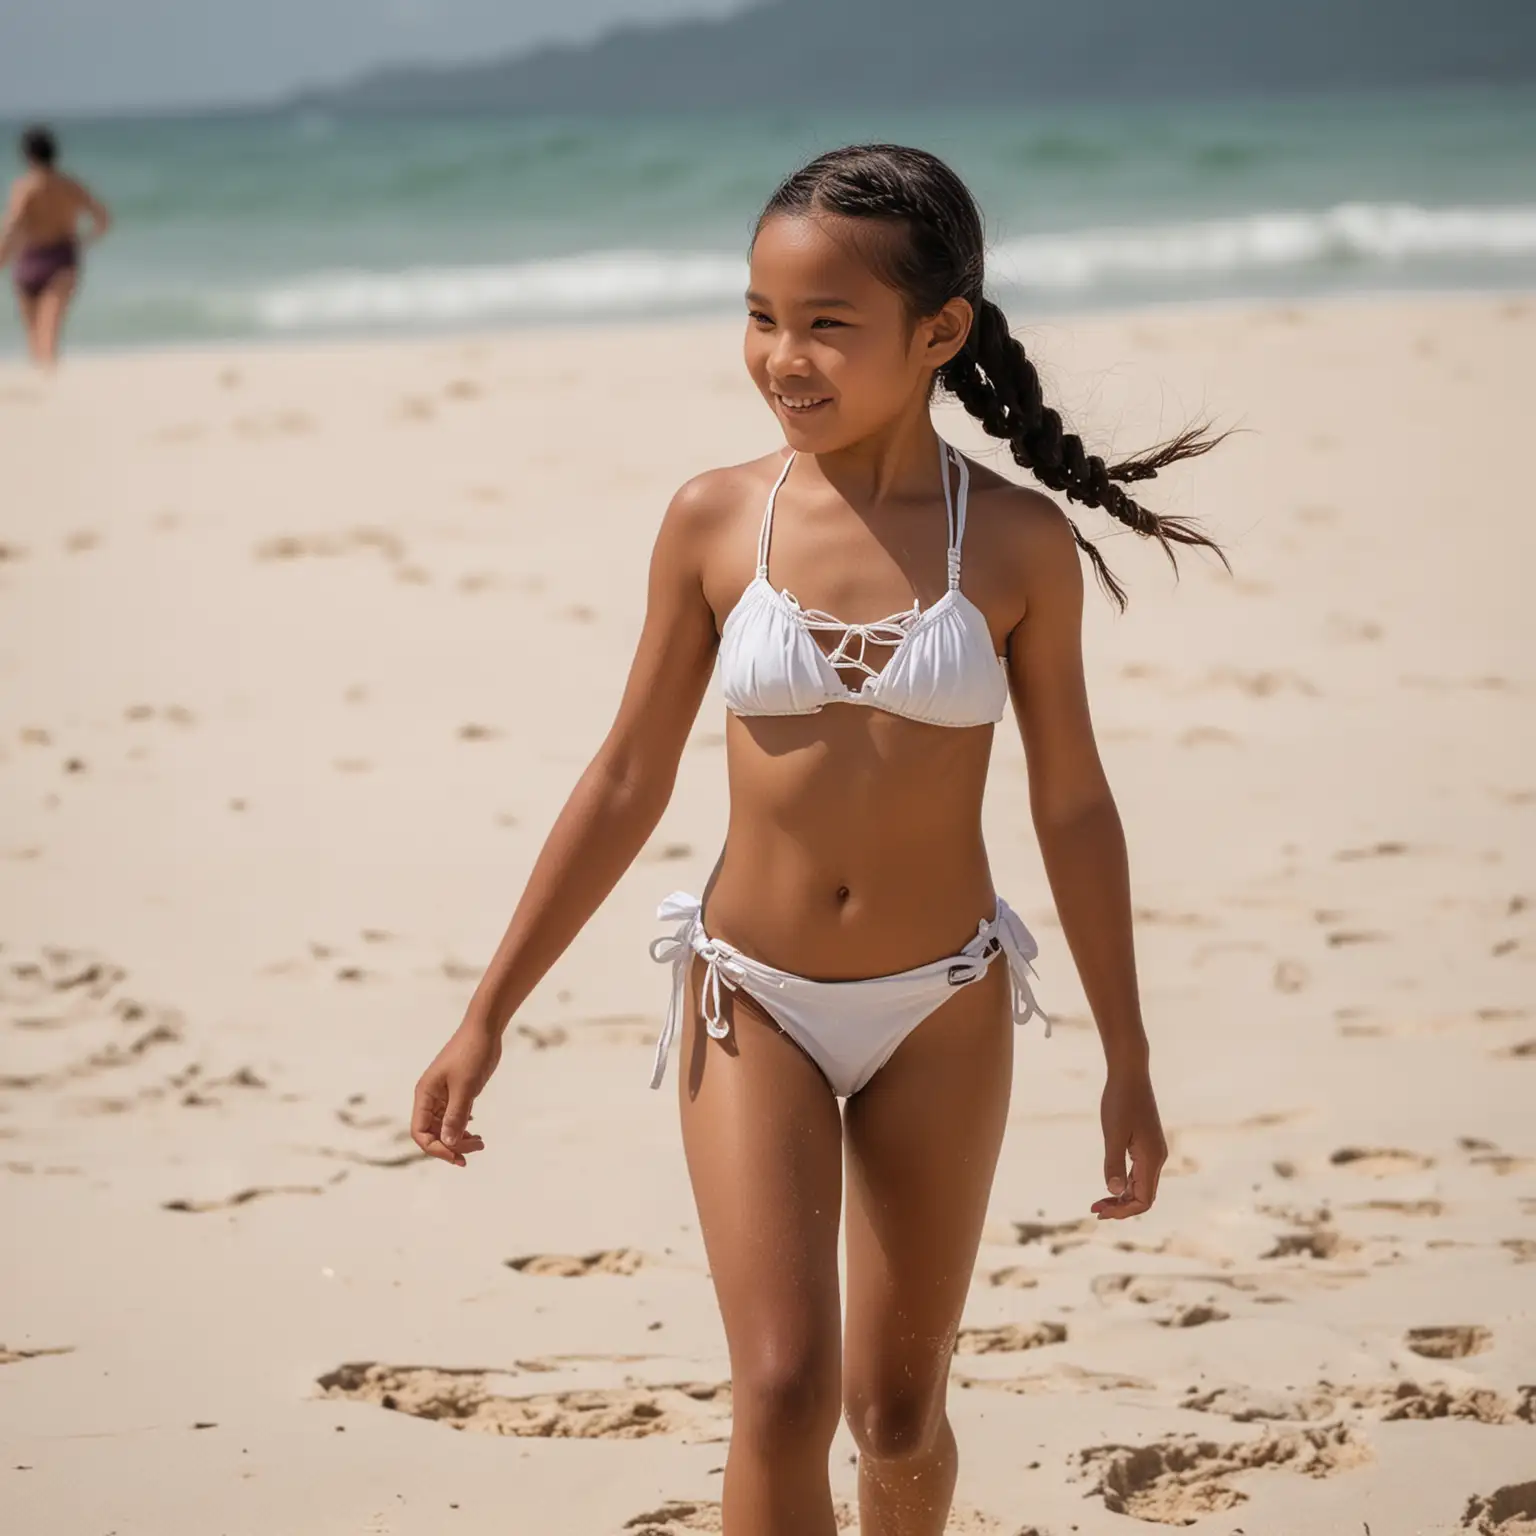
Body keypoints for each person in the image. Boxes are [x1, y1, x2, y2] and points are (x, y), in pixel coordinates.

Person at [411, 143, 1228, 1534]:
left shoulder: (1016, 543)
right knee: (784, 1388)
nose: (782, 358)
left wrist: (1129, 1057)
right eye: (759, 317)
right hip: (755, 999)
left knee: (898, 1415)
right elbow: (624, 777)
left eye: (825, 326)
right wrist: (487, 1013)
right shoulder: (718, 520)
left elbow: (1073, 802)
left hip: (944, 1003)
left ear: (940, 334)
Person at [0, 125, 111, 368]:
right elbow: (103, 218)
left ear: (27, 155)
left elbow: (12, 225)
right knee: (49, 331)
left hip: (28, 258)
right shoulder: (69, 186)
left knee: (33, 334)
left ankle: (42, 388)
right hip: (62, 257)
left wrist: (2, 257)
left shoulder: (25, 187)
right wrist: (85, 241)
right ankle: (48, 383)